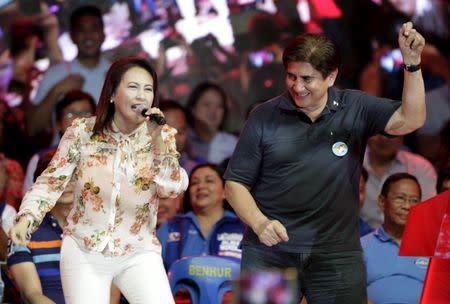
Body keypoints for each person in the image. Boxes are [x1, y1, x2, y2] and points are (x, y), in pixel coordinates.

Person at [224, 22, 426, 304]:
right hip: (267, 253)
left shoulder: (355, 108)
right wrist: (259, 224)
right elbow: (234, 184)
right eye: (291, 76)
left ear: (331, 76)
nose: (297, 86)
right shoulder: (263, 116)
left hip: (338, 256)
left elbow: (412, 119)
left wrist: (412, 65)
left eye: (307, 79)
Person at [10, 56, 189, 304]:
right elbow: (51, 180)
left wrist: (157, 141)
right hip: (85, 249)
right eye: (133, 87)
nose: (141, 96)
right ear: (113, 94)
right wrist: (27, 217)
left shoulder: (161, 136)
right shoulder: (83, 131)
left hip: (138, 250)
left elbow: (172, 188)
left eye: (148, 89)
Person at [26, 5, 110, 139]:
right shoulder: (55, 74)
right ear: (72, 36)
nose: (88, 35)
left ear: (103, 34)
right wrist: (57, 91)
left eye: (94, 28)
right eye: (81, 29)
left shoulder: (117, 74)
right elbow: (32, 129)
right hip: (64, 156)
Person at [8, 148, 71, 304]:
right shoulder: (23, 232)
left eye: (73, 175)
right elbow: (31, 295)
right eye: (55, 178)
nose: (65, 183)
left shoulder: (97, 230)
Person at [157, 164, 245, 270]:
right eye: (194, 183)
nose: (201, 186)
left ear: (225, 192)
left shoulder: (243, 228)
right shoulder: (171, 226)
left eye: (209, 181)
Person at [361, 172, 429, 304]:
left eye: (414, 200)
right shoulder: (361, 246)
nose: (407, 206)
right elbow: (348, 293)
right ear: (382, 201)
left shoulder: (432, 249)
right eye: (400, 198)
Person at [23, 90, 96, 192]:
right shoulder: (41, 160)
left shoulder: (109, 156)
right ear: (58, 124)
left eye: (86, 113)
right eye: (70, 114)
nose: (79, 119)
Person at [361, 134, 437, 227]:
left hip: (407, 237)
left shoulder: (421, 167)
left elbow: (427, 217)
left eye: (391, 132)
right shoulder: (349, 164)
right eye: (379, 130)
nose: (384, 138)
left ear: (403, 133)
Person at [186, 82, 237, 165]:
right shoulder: (183, 138)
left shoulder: (232, 144)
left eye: (219, 106)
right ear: (193, 108)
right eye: (206, 105)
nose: (213, 111)